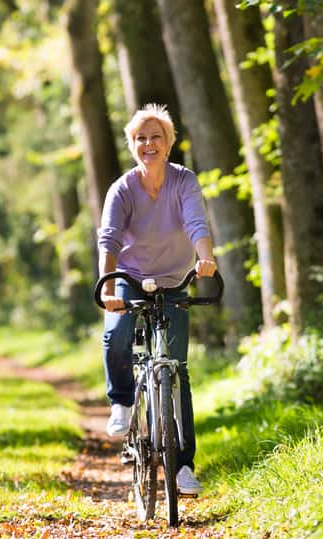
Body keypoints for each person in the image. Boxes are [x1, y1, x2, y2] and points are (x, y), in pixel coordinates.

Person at [97, 103, 217, 497]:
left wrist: (205, 257)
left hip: (173, 279)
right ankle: (123, 401)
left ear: (169, 143)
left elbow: (196, 221)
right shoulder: (123, 188)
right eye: (141, 138)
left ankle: (183, 466)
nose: (149, 144)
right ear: (132, 145)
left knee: (177, 371)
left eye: (156, 137)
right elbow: (110, 239)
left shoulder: (184, 182)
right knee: (116, 335)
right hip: (130, 279)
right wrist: (109, 286)